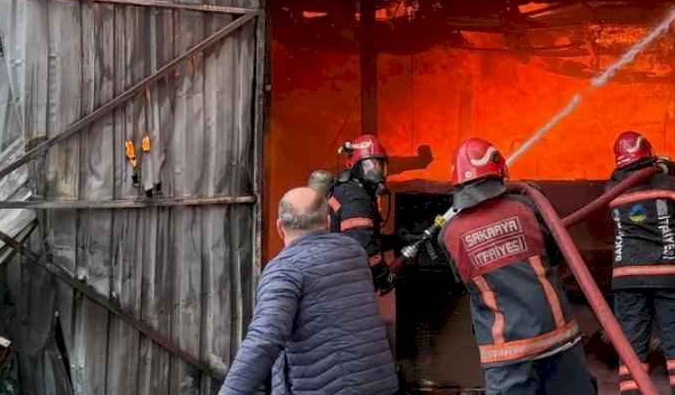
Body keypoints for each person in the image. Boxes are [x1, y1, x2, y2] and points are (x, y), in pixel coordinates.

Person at [438, 137, 595, 395]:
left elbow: (463, 281)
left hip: (505, 352)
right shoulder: (526, 207)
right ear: (498, 169)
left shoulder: (449, 233)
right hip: (556, 338)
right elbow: (557, 255)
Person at [219, 187, 397, 395]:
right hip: (379, 385)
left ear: (279, 227)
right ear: (329, 222)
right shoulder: (354, 252)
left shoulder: (284, 269)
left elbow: (263, 341)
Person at [606, 131, 675, 395]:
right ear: (648, 154)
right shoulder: (668, 184)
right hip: (669, 276)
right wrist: (671, 175)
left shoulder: (610, 189)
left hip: (626, 279)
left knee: (631, 350)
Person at [331, 134, 393, 291]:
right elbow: (362, 243)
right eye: (370, 166)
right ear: (354, 166)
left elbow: (365, 235)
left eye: (380, 166)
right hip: (346, 283)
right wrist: (383, 275)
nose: (376, 172)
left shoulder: (348, 190)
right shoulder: (356, 196)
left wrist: (397, 240)